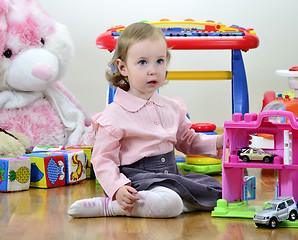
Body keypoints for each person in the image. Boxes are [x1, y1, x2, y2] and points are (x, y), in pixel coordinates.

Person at [68, 22, 224, 218]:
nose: (153, 70)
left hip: (170, 176)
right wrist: (118, 188)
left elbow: (188, 141)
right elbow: (103, 159)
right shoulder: (114, 115)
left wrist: (219, 141)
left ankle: (174, 203)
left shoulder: (172, 107)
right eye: (143, 62)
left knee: (220, 192)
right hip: (136, 180)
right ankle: (111, 206)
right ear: (123, 67)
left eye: (159, 61)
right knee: (172, 202)